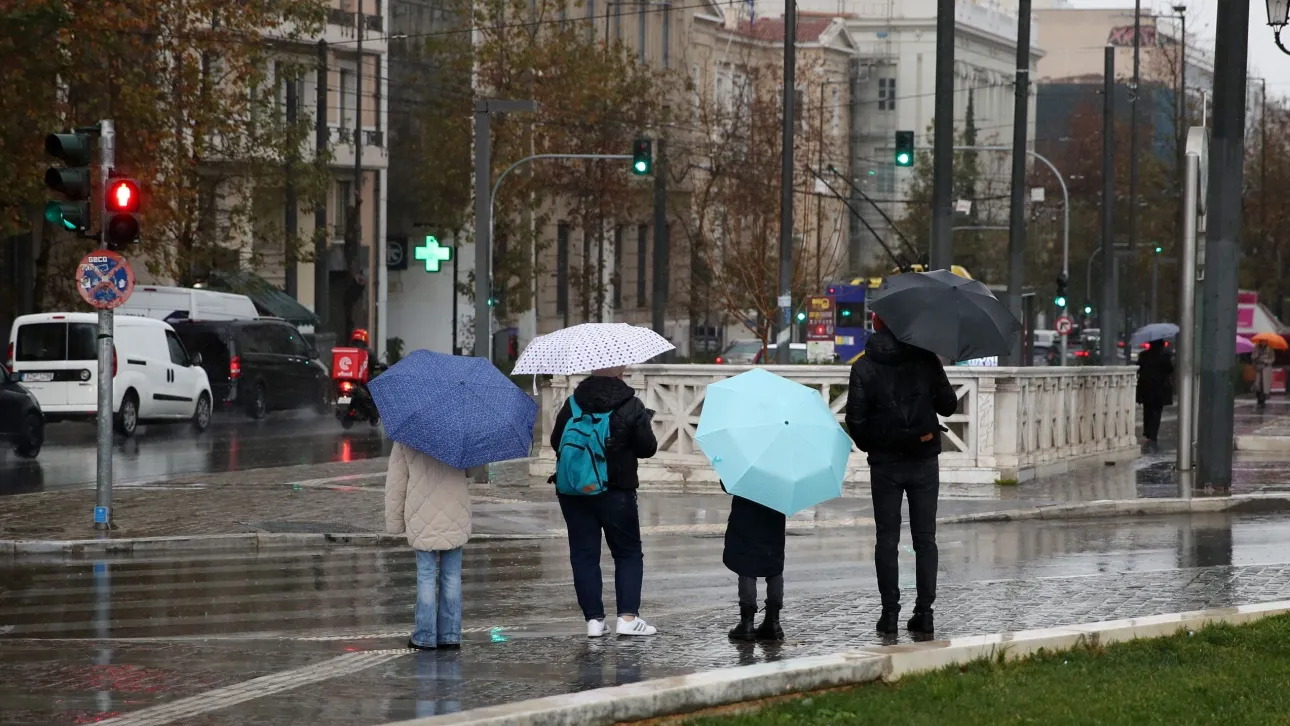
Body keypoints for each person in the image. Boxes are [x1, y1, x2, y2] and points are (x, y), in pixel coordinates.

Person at [844, 314, 957, 635]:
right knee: (925, 538)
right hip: (923, 460)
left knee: (886, 539)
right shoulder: (925, 359)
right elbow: (948, 406)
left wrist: (875, 445)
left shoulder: (863, 367)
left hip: (884, 465)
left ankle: (890, 615)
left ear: (876, 325)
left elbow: (855, 419)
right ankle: (924, 613)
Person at [550, 366, 659, 637]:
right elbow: (648, 449)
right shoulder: (631, 404)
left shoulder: (573, 403)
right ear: (619, 373)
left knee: (584, 555)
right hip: (616, 490)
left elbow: (556, 442)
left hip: (574, 491)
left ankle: (594, 622)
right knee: (628, 553)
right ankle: (627, 619)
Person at [385, 441, 473, 650]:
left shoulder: (406, 436)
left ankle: (424, 635)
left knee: (425, 576)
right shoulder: (459, 431)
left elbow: (396, 482)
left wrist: (395, 523)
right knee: (452, 577)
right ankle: (450, 634)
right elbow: (472, 470)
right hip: (454, 512)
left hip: (421, 514)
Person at [720, 480, 786, 642]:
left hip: (747, 514)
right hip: (775, 513)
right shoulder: (785, 461)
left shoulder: (749, 458)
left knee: (747, 566)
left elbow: (728, 484)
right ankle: (773, 622)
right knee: (774, 565)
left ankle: (747, 624)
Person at [1136, 340, 1174, 452]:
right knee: (1157, 412)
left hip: (1146, 388)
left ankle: (1147, 432)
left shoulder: (1144, 355)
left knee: (1147, 410)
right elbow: (1170, 369)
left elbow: (1138, 368)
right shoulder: (1165, 356)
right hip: (1160, 388)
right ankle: (1153, 434)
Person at [1254, 340, 1276, 411]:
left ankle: (1262, 402)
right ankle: (1259, 400)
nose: (1263, 343)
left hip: (1266, 369)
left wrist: (1265, 360)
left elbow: (1272, 359)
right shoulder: (1256, 348)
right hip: (1258, 369)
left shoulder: (1270, 349)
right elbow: (1253, 356)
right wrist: (1257, 356)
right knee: (1258, 386)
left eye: (1264, 341)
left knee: (1264, 386)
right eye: (1262, 341)